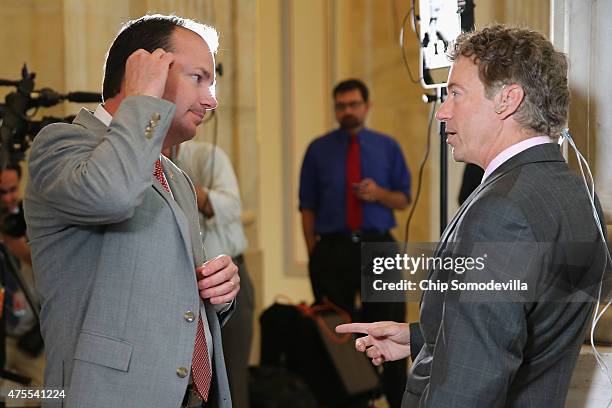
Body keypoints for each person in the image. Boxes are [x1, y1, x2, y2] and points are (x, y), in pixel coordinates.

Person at [337, 25, 609, 407]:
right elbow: (526, 322)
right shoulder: (578, 194)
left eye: (456, 94)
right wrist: (422, 337)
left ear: (508, 100)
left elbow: (470, 388)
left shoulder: (500, 213)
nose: (442, 112)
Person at [23, 14, 240, 408]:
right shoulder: (59, 145)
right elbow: (113, 195)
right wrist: (143, 101)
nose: (211, 99)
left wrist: (216, 293)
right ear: (145, 69)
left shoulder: (175, 177)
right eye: (198, 78)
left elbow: (169, 296)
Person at [299, 79, 411, 407]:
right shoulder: (318, 150)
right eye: (341, 105)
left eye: (353, 104)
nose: (347, 111)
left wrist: (378, 194)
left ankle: (395, 399)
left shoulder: (387, 147)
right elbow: (307, 206)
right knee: (337, 335)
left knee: (387, 326)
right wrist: (314, 253)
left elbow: (403, 199)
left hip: (378, 246)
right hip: (333, 249)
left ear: (366, 106)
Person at [166, 140, 255, 408]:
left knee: (231, 376)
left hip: (227, 279)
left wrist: (182, 186)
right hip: (180, 285)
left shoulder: (208, 156)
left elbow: (231, 207)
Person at [0, 163, 44, 386]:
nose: (8, 199)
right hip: (3, 339)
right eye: (1, 192)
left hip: (30, 338)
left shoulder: (34, 219)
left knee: (49, 395)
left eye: (12, 190)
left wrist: (22, 251)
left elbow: (53, 269)